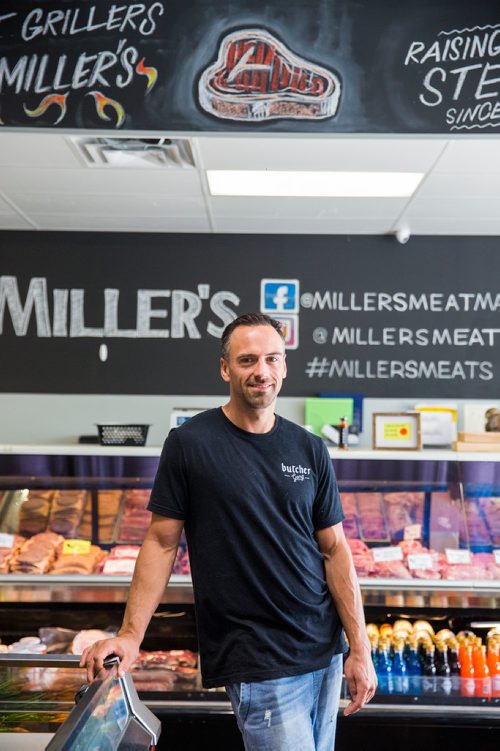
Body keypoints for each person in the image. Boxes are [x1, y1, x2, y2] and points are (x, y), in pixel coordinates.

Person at [81, 312, 377, 750]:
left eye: (273, 359)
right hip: (257, 656)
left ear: (284, 366)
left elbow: (334, 550)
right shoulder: (190, 443)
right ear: (225, 368)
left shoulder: (309, 447)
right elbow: (162, 542)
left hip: (324, 650)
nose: (262, 371)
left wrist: (360, 648)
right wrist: (130, 635)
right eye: (248, 360)